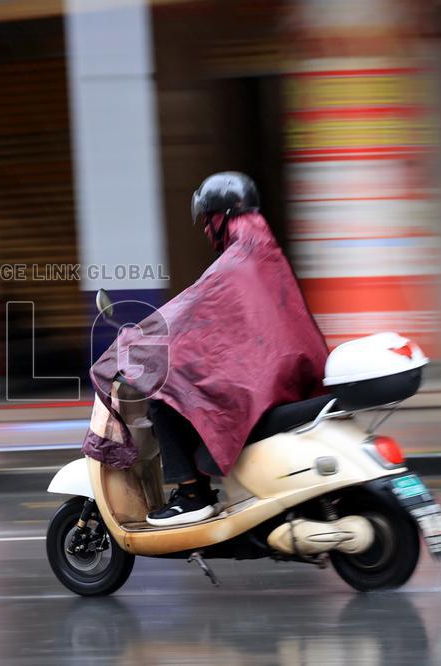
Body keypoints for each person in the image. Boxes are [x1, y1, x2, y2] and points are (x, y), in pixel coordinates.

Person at [82, 172, 328, 527]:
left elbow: (188, 311)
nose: (205, 228)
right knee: (189, 386)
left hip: (263, 384)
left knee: (164, 396)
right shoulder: (264, 254)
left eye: (207, 219)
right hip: (282, 376)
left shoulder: (236, 262)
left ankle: (192, 495)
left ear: (222, 217)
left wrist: (134, 342)